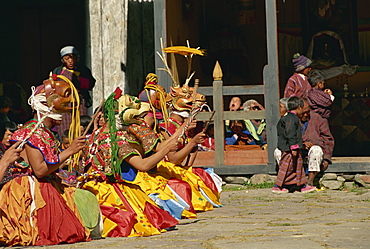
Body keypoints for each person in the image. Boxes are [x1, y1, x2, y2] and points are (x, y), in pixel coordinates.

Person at [0, 75, 101, 246]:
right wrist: (69, 151)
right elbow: (39, 170)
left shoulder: (45, 132)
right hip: (31, 188)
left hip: (49, 185)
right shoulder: (32, 131)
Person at [80, 89, 180, 237]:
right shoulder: (116, 140)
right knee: (144, 217)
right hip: (108, 190)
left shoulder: (95, 134)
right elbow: (143, 165)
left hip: (88, 186)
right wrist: (167, 150)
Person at [272, 97, 316, 193]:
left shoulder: (289, 118)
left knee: (297, 168)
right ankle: (277, 186)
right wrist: (294, 147)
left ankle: (302, 185)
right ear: (299, 107)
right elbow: (290, 133)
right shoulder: (291, 119)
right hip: (289, 149)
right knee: (287, 168)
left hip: (292, 148)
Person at [52, 46, 96, 137]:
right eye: (67, 58)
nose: (70, 61)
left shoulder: (83, 70)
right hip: (64, 103)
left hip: (79, 102)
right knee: (65, 126)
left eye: (72, 57)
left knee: (80, 124)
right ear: (62, 59)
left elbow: (90, 84)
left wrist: (78, 79)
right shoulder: (58, 71)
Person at [299, 98, 335, 186]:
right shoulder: (290, 120)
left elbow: (328, 139)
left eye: (307, 111)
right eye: (303, 112)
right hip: (297, 152)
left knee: (316, 150)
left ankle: (310, 181)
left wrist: (326, 158)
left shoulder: (317, 118)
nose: (306, 114)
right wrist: (302, 144)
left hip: (314, 153)